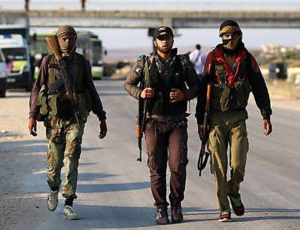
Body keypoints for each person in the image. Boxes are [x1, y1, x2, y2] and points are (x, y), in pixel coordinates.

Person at [196, 20, 272, 222]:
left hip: (238, 118)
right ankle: (224, 207)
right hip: (216, 119)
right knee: (219, 166)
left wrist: (266, 114)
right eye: (224, 35)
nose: (227, 38)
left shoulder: (247, 59)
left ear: (239, 35)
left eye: (231, 34)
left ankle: (233, 190)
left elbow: (259, 88)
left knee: (238, 164)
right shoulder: (213, 57)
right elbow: (203, 89)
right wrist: (200, 120)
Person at [28, 25, 108, 220]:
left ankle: (69, 202)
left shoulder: (82, 63)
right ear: (57, 39)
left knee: (71, 159)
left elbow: (91, 88)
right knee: (54, 165)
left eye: (71, 37)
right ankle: (53, 189)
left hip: (75, 118)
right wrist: (32, 115)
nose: (67, 41)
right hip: (54, 119)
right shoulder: (48, 61)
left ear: (75, 40)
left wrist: (101, 116)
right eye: (63, 38)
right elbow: (37, 88)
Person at [124, 26, 199, 224]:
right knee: (156, 168)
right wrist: (140, 93)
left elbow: (197, 86)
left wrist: (185, 94)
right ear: (155, 42)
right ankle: (160, 208)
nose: (165, 41)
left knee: (178, 166)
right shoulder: (145, 62)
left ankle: (176, 204)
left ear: (173, 41)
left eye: (168, 38)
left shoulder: (183, 62)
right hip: (153, 123)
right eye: (161, 38)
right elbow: (128, 84)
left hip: (177, 123)